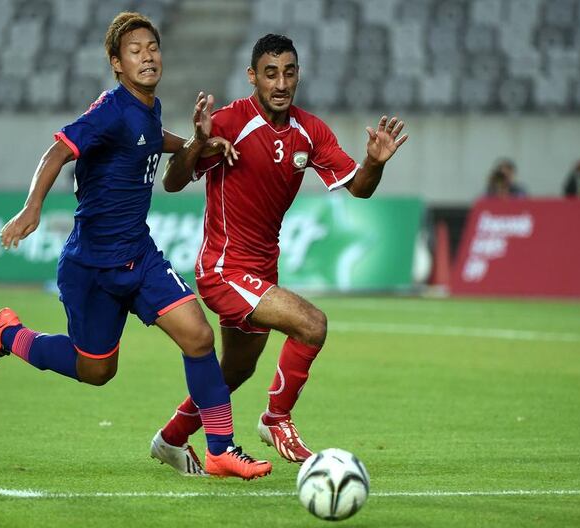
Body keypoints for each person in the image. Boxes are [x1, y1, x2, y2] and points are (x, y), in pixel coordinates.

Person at [0, 12, 271, 480]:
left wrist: (198, 143)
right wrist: (31, 208)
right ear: (116, 63)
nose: (148, 56)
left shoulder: (147, 108)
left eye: (152, 47)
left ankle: (220, 449)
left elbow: (153, 139)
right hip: (92, 266)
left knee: (198, 336)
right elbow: (57, 150)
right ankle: (8, 335)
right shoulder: (111, 110)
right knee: (96, 371)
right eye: (135, 51)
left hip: (140, 255)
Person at [149, 34, 408, 474]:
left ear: (298, 76)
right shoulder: (231, 120)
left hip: (261, 272)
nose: (281, 82)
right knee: (312, 325)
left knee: (233, 372)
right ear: (253, 77)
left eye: (289, 72)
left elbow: (360, 189)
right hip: (224, 269)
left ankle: (169, 439)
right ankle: (276, 419)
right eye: (270, 73)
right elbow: (173, 183)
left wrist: (375, 163)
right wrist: (197, 142)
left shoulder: (311, 130)